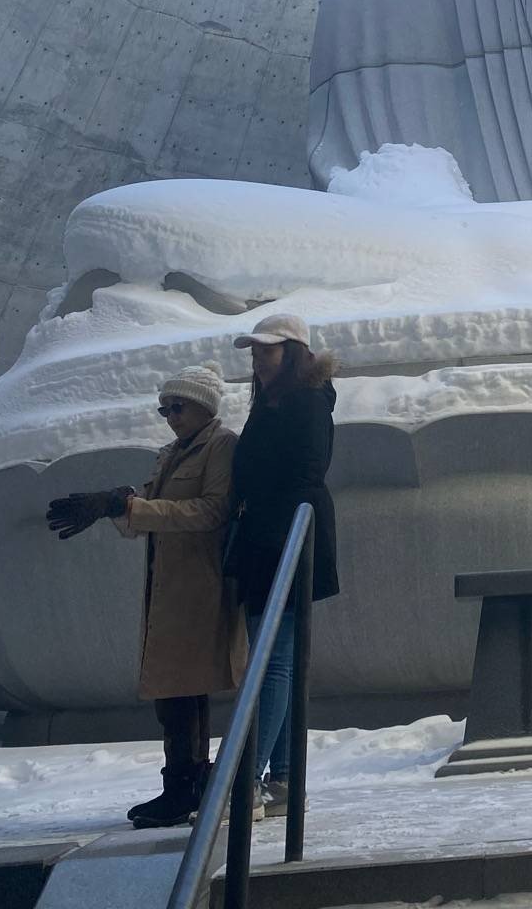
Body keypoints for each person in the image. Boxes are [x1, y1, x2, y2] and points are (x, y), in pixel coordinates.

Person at [46, 363, 246, 828]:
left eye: (177, 406)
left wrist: (130, 507)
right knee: (176, 690)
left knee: (180, 689)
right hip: (167, 587)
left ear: (202, 406)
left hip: (198, 585)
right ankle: (187, 781)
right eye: (163, 409)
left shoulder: (221, 445)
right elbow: (149, 515)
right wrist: (113, 505)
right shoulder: (172, 452)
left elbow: (211, 510)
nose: (170, 415)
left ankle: (184, 785)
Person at [225, 313, 340, 817]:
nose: (257, 359)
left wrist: (273, 534)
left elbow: (307, 473)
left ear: (291, 352)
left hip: (287, 540)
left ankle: (248, 783)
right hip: (270, 539)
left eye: (266, 350)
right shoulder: (273, 402)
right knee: (281, 662)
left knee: (273, 662)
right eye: (253, 351)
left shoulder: (307, 400)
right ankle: (286, 780)